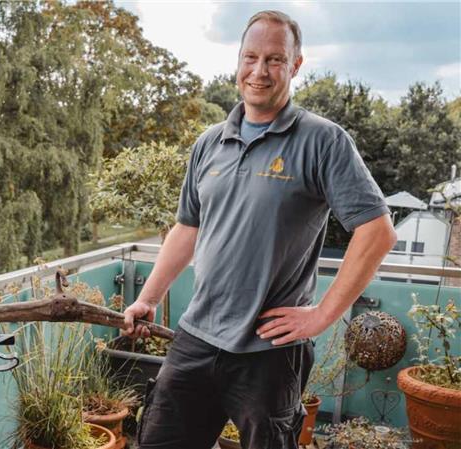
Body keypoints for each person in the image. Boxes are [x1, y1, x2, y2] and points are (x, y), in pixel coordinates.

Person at [123, 10, 397, 449]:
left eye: (274, 59)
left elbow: (377, 231)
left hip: (269, 351)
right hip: (196, 337)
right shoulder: (210, 142)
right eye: (251, 57)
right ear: (238, 61)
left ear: (295, 65)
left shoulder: (322, 141)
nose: (260, 70)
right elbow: (187, 228)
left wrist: (323, 315)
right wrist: (148, 297)